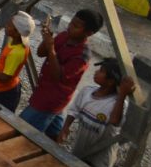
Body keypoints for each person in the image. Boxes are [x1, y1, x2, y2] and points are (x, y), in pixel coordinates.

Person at [19, 9, 103, 139]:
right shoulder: (65, 35)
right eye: (71, 22)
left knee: (22, 129)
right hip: (44, 91)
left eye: (76, 26)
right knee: (54, 129)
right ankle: (56, 142)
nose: (70, 27)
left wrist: (51, 48)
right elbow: (41, 53)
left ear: (88, 33)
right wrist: (46, 40)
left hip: (51, 100)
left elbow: (58, 76)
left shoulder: (82, 55)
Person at [56, 58, 136, 167]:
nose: (96, 72)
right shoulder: (86, 91)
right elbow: (74, 111)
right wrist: (65, 128)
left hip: (100, 161)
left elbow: (114, 120)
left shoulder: (118, 103)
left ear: (110, 81)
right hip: (80, 150)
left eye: (101, 71)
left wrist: (122, 94)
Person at [0, 11, 35, 112]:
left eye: (9, 25)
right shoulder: (19, 44)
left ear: (17, 32)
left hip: (4, 92)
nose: (6, 26)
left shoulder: (16, 53)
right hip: (5, 89)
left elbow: (5, 78)